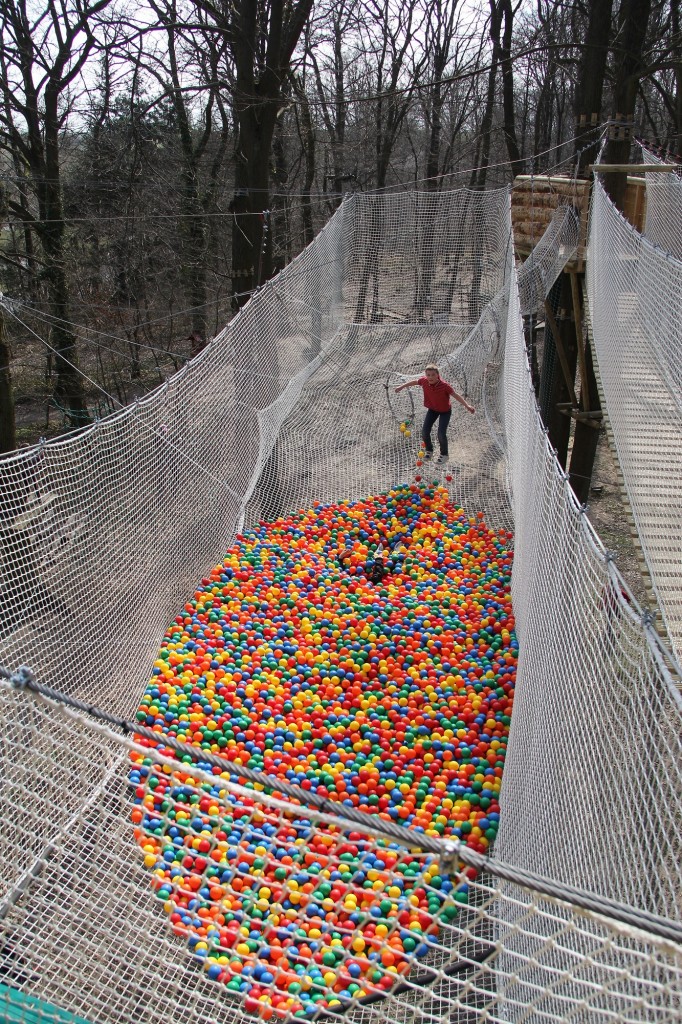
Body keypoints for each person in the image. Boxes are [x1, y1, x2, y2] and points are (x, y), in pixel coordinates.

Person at [395, 364, 475, 462]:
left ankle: (444, 454)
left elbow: (455, 395)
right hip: (432, 410)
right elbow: (415, 382)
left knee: (441, 434)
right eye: (428, 375)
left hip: (445, 411)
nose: (430, 377)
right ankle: (429, 451)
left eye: (433, 375)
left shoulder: (444, 386)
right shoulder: (424, 381)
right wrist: (401, 386)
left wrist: (467, 406)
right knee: (424, 432)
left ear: (438, 375)